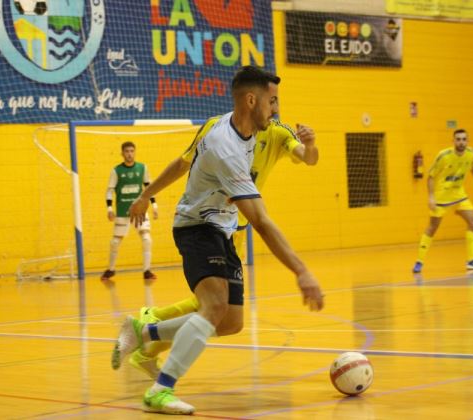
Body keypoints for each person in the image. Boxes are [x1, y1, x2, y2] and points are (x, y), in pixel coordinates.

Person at [111, 66, 324, 415]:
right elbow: (261, 220)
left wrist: (145, 196)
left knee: (230, 321)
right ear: (251, 100)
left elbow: (303, 160)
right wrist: (301, 271)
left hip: (224, 229)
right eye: (272, 102)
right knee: (212, 307)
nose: (276, 109)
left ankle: (143, 331)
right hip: (197, 226)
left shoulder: (253, 129)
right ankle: (161, 390)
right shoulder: (224, 144)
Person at [126, 119, 319, 378]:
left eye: (274, 101)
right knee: (213, 305)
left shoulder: (278, 134)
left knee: (217, 310)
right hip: (206, 224)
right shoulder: (217, 130)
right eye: (268, 99)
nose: (271, 107)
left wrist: (311, 145)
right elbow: (182, 163)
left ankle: (147, 343)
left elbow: (308, 158)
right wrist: (145, 195)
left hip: (235, 229)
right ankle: (151, 330)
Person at [412, 129, 473, 273]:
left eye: (464, 139)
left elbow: (472, 167)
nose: (461, 142)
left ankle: (471, 260)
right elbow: (430, 176)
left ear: (467, 141)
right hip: (442, 197)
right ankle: (419, 261)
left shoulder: (471, 153)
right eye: (458, 139)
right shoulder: (444, 156)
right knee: (432, 228)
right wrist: (431, 197)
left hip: (459, 195)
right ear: (453, 141)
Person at [100, 141, 158, 285]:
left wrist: (154, 205)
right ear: (122, 153)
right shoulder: (116, 171)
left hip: (139, 211)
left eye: (132, 151)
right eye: (127, 151)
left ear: (135, 152)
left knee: (146, 239)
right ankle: (111, 269)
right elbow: (109, 190)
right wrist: (109, 208)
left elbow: (149, 187)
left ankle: (147, 271)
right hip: (122, 211)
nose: (129, 154)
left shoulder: (142, 168)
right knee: (115, 242)